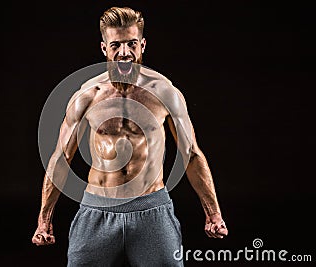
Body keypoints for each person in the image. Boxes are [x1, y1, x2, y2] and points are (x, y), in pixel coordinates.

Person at [32, 6, 228, 266]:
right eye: (116, 45)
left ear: (142, 45)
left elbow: (191, 154)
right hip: (97, 210)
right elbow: (61, 158)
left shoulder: (164, 93)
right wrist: (44, 220)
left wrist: (213, 214)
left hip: (152, 209)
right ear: (104, 48)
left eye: (131, 44)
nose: (124, 53)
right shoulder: (87, 96)